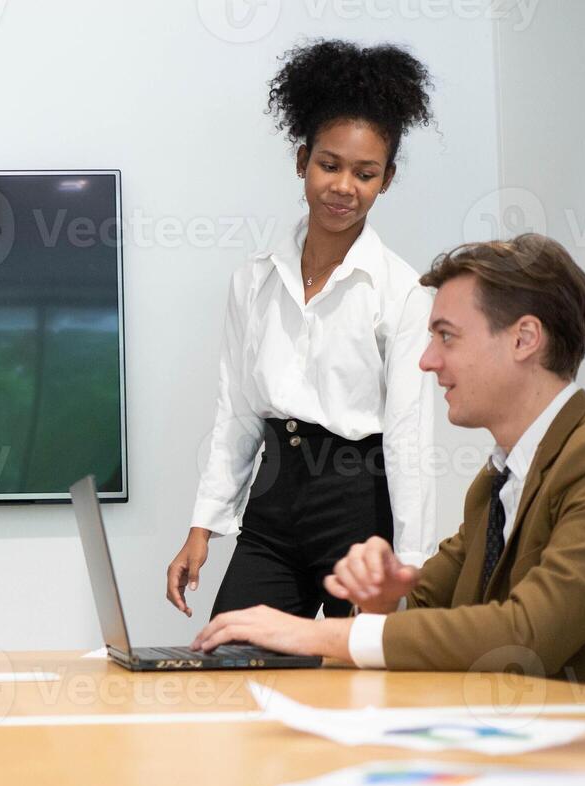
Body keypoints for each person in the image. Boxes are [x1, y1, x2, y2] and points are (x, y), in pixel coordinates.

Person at [192, 234, 585, 683]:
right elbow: (424, 605)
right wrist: (382, 598)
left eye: (446, 337)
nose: (427, 361)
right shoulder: (496, 483)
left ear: (524, 338)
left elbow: (524, 634)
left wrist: (316, 636)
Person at [167, 39, 438, 621]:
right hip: (273, 504)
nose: (344, 186)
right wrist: (203, 526)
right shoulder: (253, 282)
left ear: (385, 180)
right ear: (301, 161)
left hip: (361, 516)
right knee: (230, 663)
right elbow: (237, 413)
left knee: (359, 692)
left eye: (365, 174)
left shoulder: (403, 291)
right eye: (329, 164)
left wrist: (411, 563)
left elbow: (409, 437)